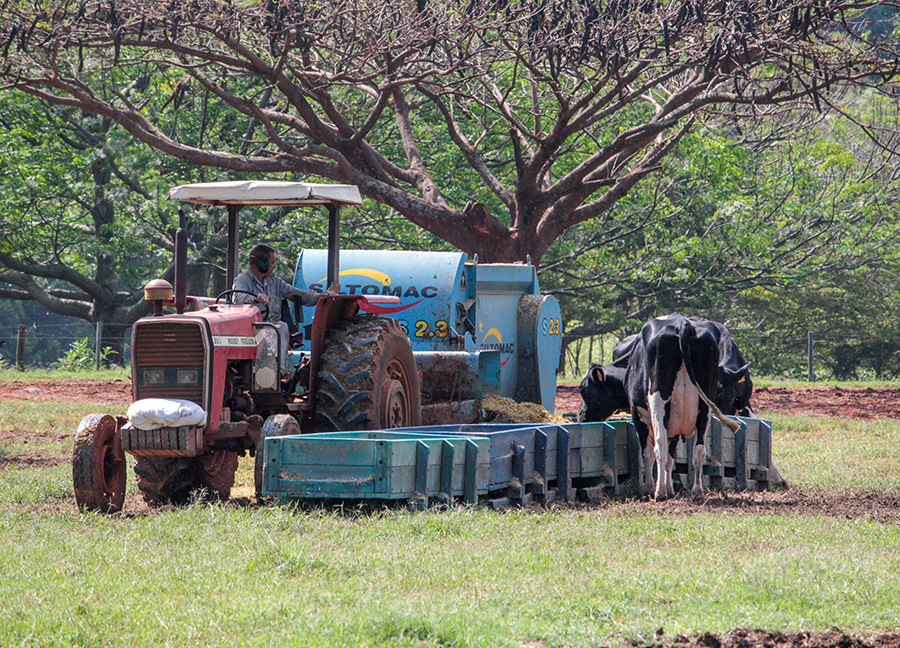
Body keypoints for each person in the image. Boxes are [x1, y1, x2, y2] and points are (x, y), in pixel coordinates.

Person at [232, 244, 332, 373]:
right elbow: (238, 296)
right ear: (262, 264)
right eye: (272, 263)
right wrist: (255, 298)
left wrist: (320, 297)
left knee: (280, 327)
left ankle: (275, 373)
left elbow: (299, 295)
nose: (274, 266)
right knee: (276, 329)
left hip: (271, 327)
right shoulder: (242, 280)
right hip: (250, 328)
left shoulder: (275, 282)